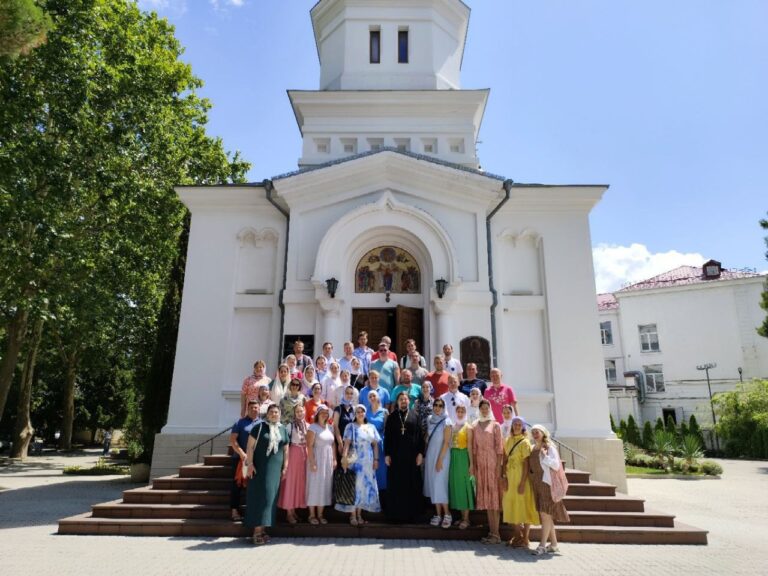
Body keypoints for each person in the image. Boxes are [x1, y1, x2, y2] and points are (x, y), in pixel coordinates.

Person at [244, 403, 289, 545]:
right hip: (260, 468)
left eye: (276, 412)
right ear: (267, 413)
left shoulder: (283, 429)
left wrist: (285, 467)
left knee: (270, 499)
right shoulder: (259, 427)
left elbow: (286, 450)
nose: (274, 414)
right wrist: (250, 464)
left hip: (275, 470)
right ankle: (256, 532)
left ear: (280, 414)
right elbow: (250, 447)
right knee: (260, 498)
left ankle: (263, 530)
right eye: (272, 412)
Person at [384, 391, 425, 523]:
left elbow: (420, 436)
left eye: (405, 399)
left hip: (412, 458)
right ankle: (396, 516)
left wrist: (420, 453)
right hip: (396, 458)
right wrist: (387, 454)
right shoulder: (392, 417)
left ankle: (413, 516)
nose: (403, 401)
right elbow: (388, 437)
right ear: (397, 402)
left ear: (409, 401)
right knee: (397, 485)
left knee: (412, 485)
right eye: (401, 399)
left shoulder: (415, 416)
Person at [529, 424, 570, 556]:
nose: (535, 434)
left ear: (543, 433)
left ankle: (542, 545)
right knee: (546, 515)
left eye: (537, 432)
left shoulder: (549, 447)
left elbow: (556, 465)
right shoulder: (533, 447)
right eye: (533, 432)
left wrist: (545, 457)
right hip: (537, 484)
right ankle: (553, 544)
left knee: (545, 514)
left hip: (547, 483)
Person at [339, 404, 381, 525]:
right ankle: (352, 515)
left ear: (365, 413)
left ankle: (359, 514)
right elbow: (346, 444)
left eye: (362, 411)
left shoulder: (371, 427)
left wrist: (376, 460)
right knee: (354, 487)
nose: (360, 413)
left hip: (368, 461)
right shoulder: (350, 426)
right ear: (355, 414)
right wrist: (344, 459)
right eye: (358, 411)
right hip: (355, 462)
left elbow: (375, 445)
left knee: (364, 488)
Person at [502, 416, 539, 549]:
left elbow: (526, 464)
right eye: (515, 424)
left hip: (521, 478)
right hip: (510, 478)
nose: (517, 426)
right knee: (511, 505)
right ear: (512, 426)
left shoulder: (525, 442)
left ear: (523, 427)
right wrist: (504, 477)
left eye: (519, 424)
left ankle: (526, 537)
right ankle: (517, 535)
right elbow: (504, 460)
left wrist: (523, 482)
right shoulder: (508, 440)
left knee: (525, 506)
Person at [471, 398, 504, 544]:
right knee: (487, 501)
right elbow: (474, 447)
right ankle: (492, 533)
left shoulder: (495, 425)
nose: (484, 410)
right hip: (480, 464)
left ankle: (496, 534)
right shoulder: (476, 425)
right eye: (482, 408)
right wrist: (474, 465)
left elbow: (499, 448)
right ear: (479, 409)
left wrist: (498, 467)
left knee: (494, 500)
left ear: (489, 409)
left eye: (486, 407)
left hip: (492, 463)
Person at [424, 398, 453, 528]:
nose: (437, 407)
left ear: (443, 407)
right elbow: (427, 437)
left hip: (442, 456)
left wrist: (440, 460)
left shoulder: (447, 421)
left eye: (440, 405)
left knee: (440, 483)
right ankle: (438, 514)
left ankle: (447, 514)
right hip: (431, 455)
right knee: (433, 483)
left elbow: (447, 442)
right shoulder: (430, 419)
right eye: (435, 405)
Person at [229, 400, 260, 521]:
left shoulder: (262, 423)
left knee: (254, 486)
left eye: (256, 408)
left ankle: (252, 510)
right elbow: (233, 440)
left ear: (259, 408)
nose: (254, 410)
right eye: (252, 408)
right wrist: (242, 454)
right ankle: (234, 511)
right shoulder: (239, 423)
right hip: (240, 459)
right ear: (248, 409)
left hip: (256, 460)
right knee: (237, 485)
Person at [278, 404, 308, 523]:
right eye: (297, 412)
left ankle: (294, 511)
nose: (300, 413)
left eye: (301, 411)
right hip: (293, 453)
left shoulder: (308, 425)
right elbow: (285, 443)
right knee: (291, 482)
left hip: (304, 454)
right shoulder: (290, 426)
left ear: (304, 412)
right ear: (294, 413)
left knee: (299, 483)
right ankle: (289, 512)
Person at [306, 404, 335, 525]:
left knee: (324, 486)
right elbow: (309, 446)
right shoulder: (313, 427)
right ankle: (312, 515)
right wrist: (312, 462)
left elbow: (332, 444)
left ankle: (321, 514)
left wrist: (334, 459)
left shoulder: (330, 427)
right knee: (314, 485)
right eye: (322, 412)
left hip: (327, 460)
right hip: (316, 458)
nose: (325, 414)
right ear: (317, 414)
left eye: (326, 412)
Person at [448, 403, 474, 530]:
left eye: (462, 411)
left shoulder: (468, 427)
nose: (460, 413)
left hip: (463, 456)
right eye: (458, 411)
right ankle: (461, 516)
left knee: (464, 486)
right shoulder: (453, 426)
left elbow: (470, 446)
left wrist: (471, 464)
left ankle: (466, 518)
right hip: (454, 457)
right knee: (456, 486)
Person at [366, 390, 388, 495]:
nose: (372, 398)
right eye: (370, 396)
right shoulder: (365, 412)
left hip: (380, 442)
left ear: (378, 397)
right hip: (368, 443)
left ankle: (382, 495)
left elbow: (387, 429)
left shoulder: (384, 412)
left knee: (381, 469)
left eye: (374, 395)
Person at [333, 386, 356, 457]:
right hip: (341, 443)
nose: (349, 395)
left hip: (351, 443)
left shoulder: (354, 409)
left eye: (351, 393)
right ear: (343, 394)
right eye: (347, 393)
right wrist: (340, 443)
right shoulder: (338, 409)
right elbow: (335, 426)